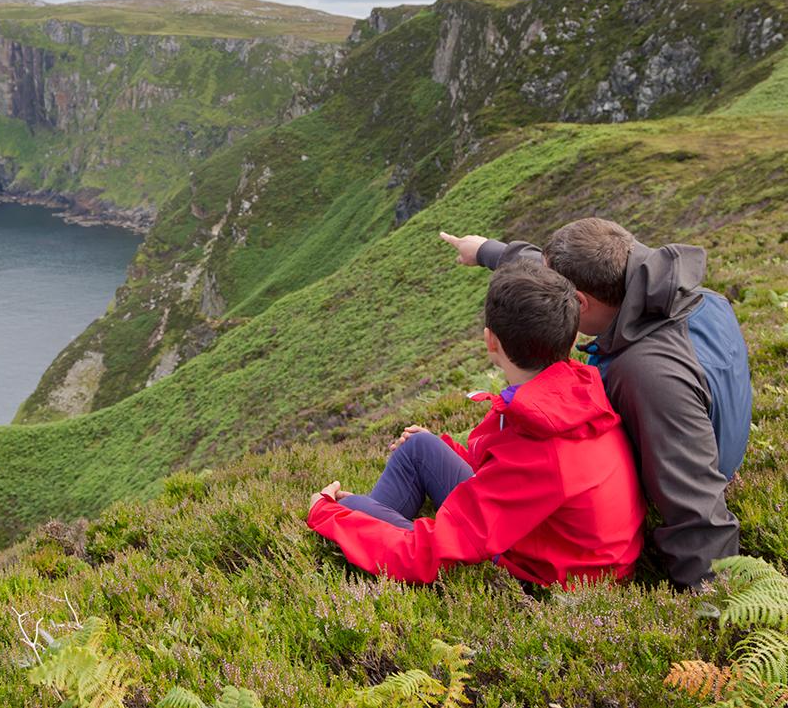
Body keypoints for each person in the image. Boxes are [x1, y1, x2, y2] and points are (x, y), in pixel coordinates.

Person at [440, 218, 752, 589]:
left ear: (579, 304)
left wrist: (719, 614)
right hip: (701, 449)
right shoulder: (695, 297)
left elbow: (696, 506)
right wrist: (488, 251)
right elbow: (555, 279)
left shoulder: (649, 375)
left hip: (649, 497)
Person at [307, 260, 645, 588]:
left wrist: (329, 514)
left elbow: (428, 554)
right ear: (570, 339)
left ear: (490, 341)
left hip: (544, 576)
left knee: (347, 509)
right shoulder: (573, 390)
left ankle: (366, 533)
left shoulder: (544, 448)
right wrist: (452, 452)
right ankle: (374, 527)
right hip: (559, 543)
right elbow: (517, 474)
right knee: (420, 448)